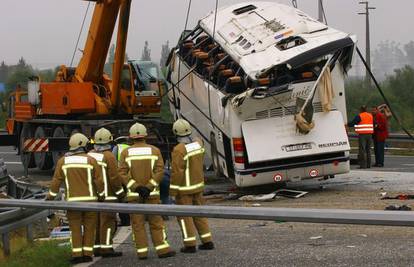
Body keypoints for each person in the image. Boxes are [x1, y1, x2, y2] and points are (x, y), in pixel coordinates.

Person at [118, 123, 175, 260]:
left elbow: (122, 173)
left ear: (131, 137)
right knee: (156, 223)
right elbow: (159, 171)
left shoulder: (125, 153)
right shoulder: (155, 151)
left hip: (134, 197)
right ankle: (162, 250)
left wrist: (136, 187)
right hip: (152, 195)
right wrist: (149, 187)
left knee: (138, 226)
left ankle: (142, 253)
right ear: (146, 136)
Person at [46, 133, 105, 264]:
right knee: (90, 228)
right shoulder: (91, 160)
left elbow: (56, 181)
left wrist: (50, 196)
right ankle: (88, 254)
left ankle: (77, 254)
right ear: (83, 145)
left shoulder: (62, 161)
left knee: (75, 228)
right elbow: (99, 181)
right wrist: (102, 195)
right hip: (91, 202)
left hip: (73, 203)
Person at [170, 119, 214, 253]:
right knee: (200, 214)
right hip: (198, 187)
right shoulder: (197, 144)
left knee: (185, 217)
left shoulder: (179, 150)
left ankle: (190, 244)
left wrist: (172, 191)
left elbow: (177, 172)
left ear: (176, 132)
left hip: (184, 190)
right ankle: (207, 241)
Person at [88, 128, 126, 257]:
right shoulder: (109, 156)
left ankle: (96, 247)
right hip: (108, 196)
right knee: (108, 223)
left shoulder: (90, 154)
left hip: (93, 196)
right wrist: (120, 193)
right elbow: (114, 178)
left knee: (96, 223)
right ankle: (106, 248)